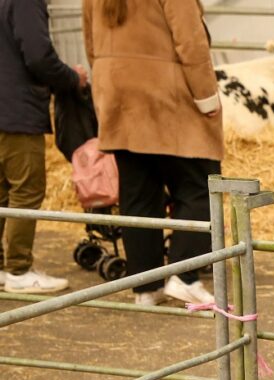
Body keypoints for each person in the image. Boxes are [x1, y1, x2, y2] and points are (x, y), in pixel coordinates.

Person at [82, 0, 221, 306]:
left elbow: (90, 43)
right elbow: (190, 40)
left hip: (118, 95)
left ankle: (146, 288)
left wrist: (109, 85)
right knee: (203, 186)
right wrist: (207, 97)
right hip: (166, 97)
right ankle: (184, 276)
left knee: (138, 196)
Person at [0, 0, 87, 294]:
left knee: (2, 191)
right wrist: (72, 78)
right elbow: (38, 56)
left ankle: (3, 267)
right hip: (15, 109)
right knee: (26, 190)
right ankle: (18, 269)